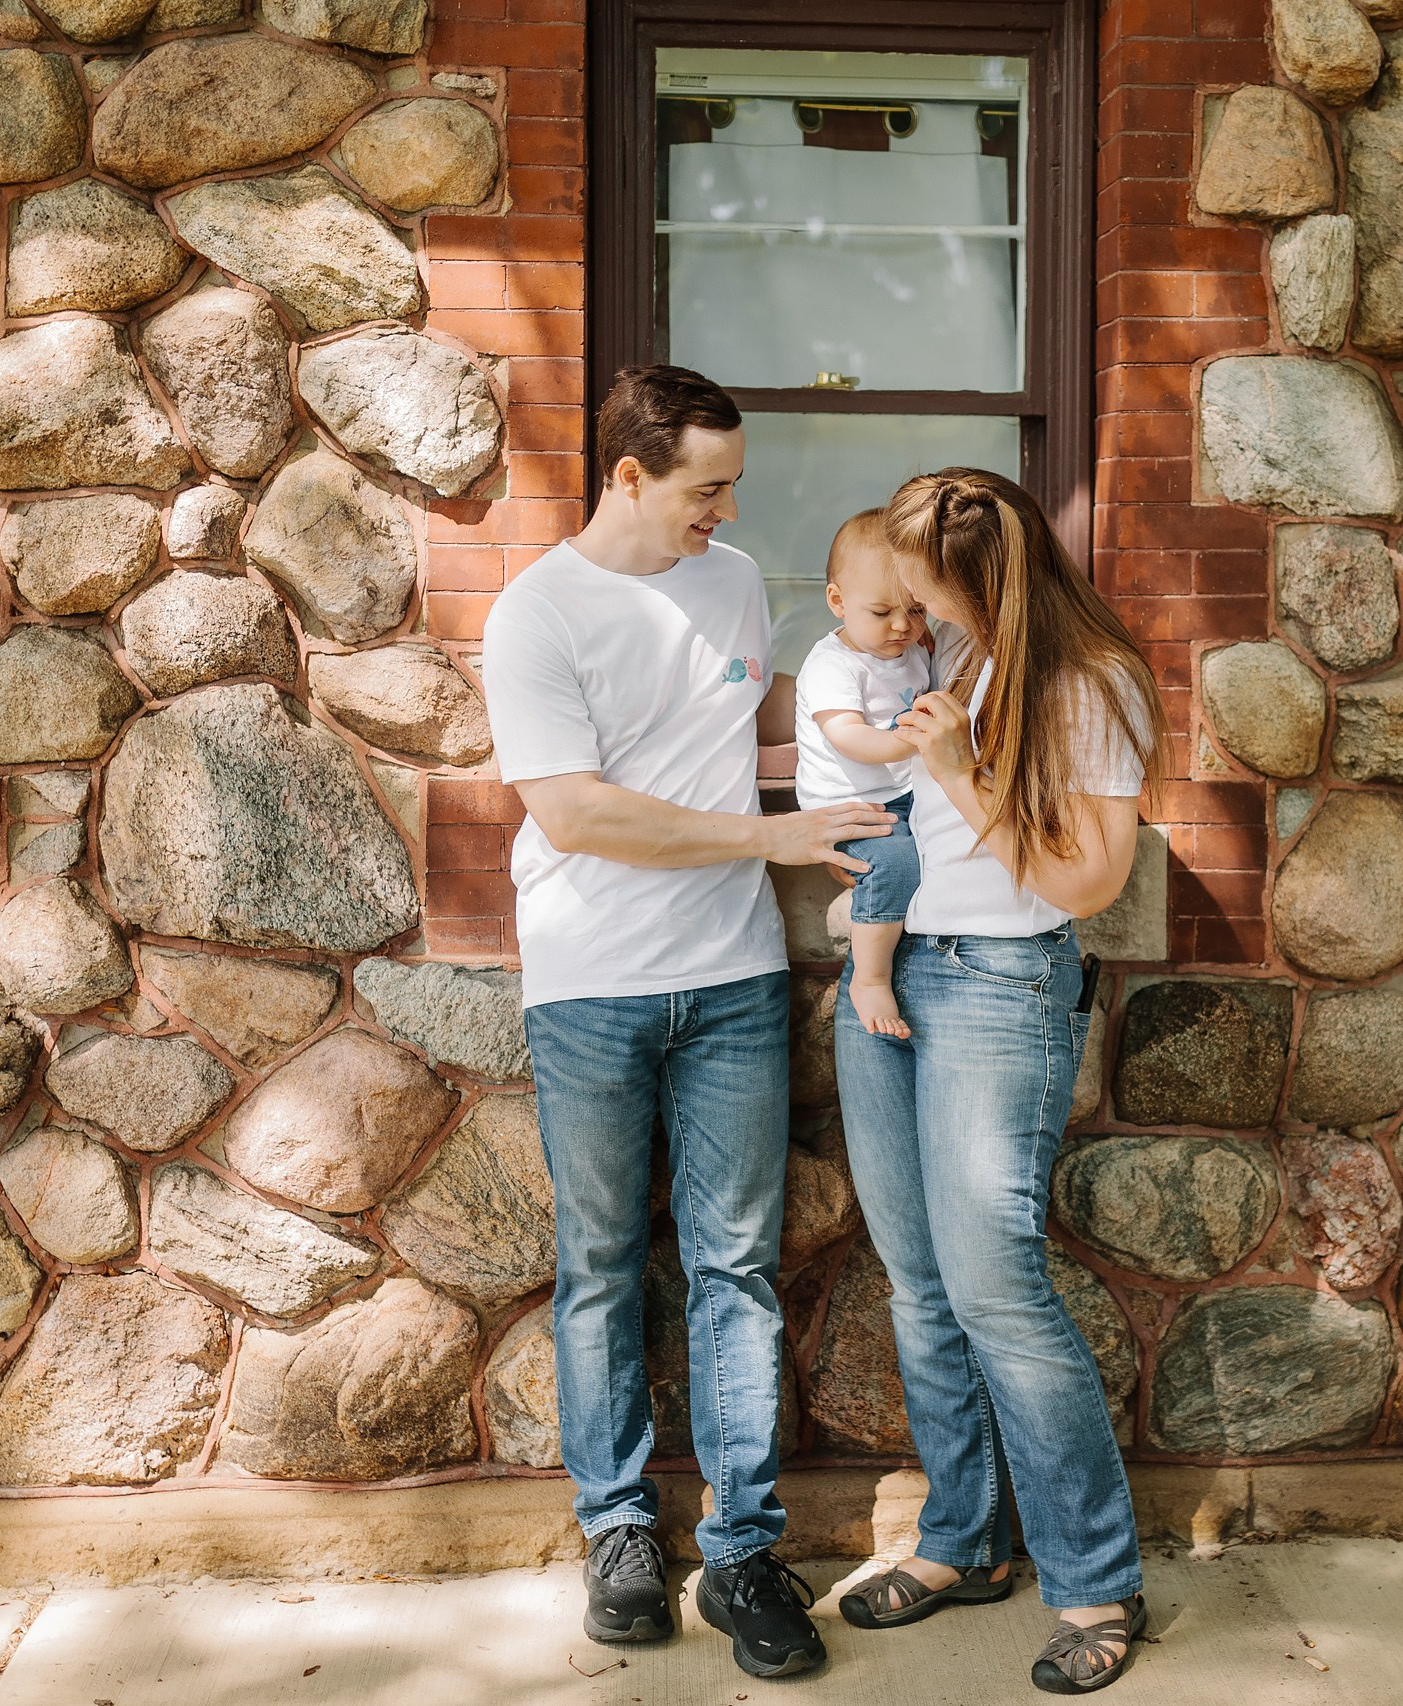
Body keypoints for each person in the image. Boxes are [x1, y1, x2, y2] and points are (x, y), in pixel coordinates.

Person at [480, 364, 893, 1681]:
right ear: (629, 474)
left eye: (734, 483)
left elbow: (741, 740)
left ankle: (743, 1550)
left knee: (736, 1270)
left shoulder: (733, 583)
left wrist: (881, 744)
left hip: (732, 978)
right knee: (601, 1265)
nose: (728, 508)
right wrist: (772, 837)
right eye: (707, 486)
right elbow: (576, 811)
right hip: (590, 980)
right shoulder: (536, 613)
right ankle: (616, 1531)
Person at [829, 468, 1163, 1696]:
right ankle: (962, 1541)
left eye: (931, 590)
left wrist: (961, 768)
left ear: (984, 581)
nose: (918, 612)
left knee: (997, 1291)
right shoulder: (967, 660)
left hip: (999, 985)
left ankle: (1096, 1581)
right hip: (895, 978)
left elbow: (1087, 884)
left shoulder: (1093, 682)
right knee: (921, 1286)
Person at [791, 511, 932, 1039]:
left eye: (915, 609)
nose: (901, 625)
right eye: (881, 611)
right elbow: (848, 736)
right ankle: (870, 979)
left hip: (904, 791)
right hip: (850, 804)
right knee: (893, 863)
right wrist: (913, 740)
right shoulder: (832, 665)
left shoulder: (912, 649)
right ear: (837, 601)